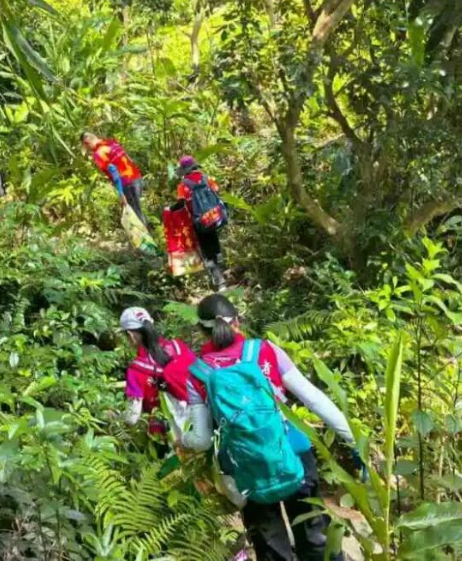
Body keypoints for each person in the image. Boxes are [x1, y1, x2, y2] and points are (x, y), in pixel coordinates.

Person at [181, 294, 361, 561]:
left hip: (246, 468)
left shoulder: (197, 373)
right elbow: (314, 399)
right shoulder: (264, 351)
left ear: (201, 331)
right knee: (315, 536)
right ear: (238, 322)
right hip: (294, 453)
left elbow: (203, 440)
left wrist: (182, 440)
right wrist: (354, 441)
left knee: (271, 547)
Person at [119, 307, 198, 442]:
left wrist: (115, 416)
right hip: (200, 422)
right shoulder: (178, 347)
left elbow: (132, 418)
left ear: (131, 335)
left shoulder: (136, 370)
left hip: (167, 437)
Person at [177, 156, 228, 291]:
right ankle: (221, 266)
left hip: (199, 221)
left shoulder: (183, 186)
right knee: (214, 241)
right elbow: (216, 190)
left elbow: (181, 204)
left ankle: (219, 280)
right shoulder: (206, 178)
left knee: (206, 249)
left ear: (184, 170)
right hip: (214, 216)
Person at [82, 132, 147, 226]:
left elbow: (114, 173)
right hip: (136, 177)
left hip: (127, 184)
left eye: (86, 147)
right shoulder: (112, 143)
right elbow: (129, 158)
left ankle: (147, 239)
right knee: (138, 210)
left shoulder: (99, 153)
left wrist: (121, 193)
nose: (88, 150)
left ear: (87, 142)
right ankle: (152, 233)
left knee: (136, 215)